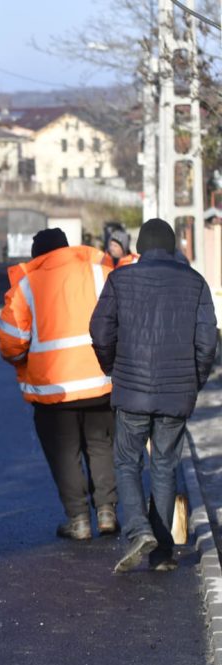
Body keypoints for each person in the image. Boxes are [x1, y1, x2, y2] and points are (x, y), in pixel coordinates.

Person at [90, 218, 217, 572]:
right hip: (177, 395)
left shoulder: (120, 279)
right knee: (165, 466)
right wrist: (195, 380)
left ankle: (138, 530)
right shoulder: (195, 283)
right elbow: (208, 342)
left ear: (140, 248)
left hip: (131, 392)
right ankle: (161, 554)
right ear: (173, 246)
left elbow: (100, 331)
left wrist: (112, 367)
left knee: (128, 462)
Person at [0, 228, 117, 541]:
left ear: (37, 256)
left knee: (65, 454)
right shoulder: (100, 273)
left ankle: (79, 520)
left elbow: (11, 343)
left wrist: (24, 357)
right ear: (68, 248)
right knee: (101, 446)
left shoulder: (28, 285)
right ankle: (107, 512)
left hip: (54, 390)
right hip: (101, 381)